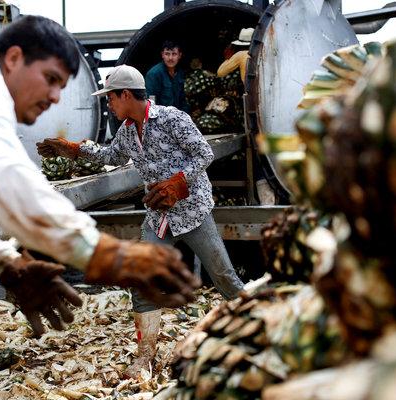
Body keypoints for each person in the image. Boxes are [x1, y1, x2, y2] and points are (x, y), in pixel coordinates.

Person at [0, 16, 199, 399]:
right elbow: (4, 179)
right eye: (52, 79)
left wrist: (3, 263)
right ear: (14, 58)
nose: (56, 96)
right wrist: (105, 254)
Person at [37, 65, 245, 379]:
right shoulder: (126, 131)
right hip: (159, 216)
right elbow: (112, 156)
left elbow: (203, 153)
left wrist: (178, 182)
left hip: (193, 211)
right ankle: (145, 357)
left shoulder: (172, 119)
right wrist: (75, 150)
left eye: (110, 98)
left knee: (224, 277)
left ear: (125, 94)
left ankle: (262, 330)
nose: (109, 104)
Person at [217, 27, 276, 205]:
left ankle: (266, 199)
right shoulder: (269, 52)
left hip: (254, 107)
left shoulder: (243, 55)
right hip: (272, 105)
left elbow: (220, 72)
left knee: (256, 150)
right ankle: (274, 193)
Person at [145, 40, 190, 113]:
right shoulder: (154, 74)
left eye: (174, 54)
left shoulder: (181, 73)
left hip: (179, 117)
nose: (170, 58)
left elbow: (183, 100)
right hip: (161, 118)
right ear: (162, 55)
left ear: (180, 55)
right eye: (167, 54)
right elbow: (151, 103)